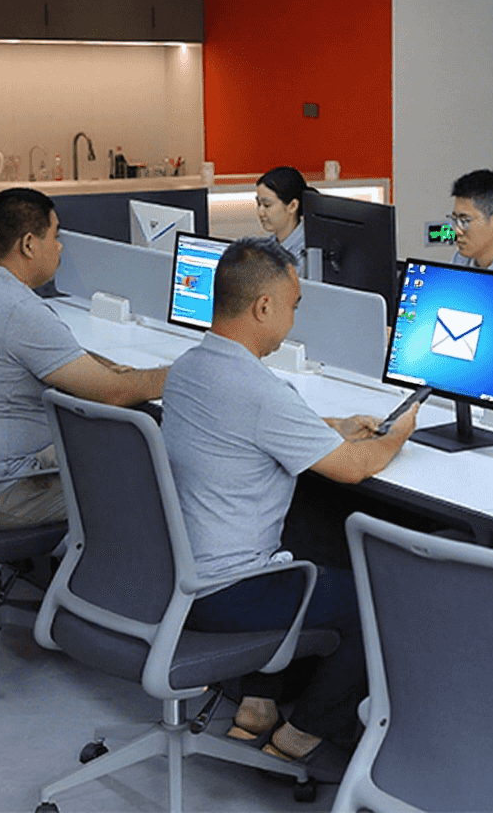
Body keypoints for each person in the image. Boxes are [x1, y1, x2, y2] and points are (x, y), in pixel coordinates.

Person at [160, 236, 419, 782]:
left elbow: (247, 427)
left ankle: (257, 707)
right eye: (293, 306)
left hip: (179, 578)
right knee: (384, 595)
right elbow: (354, 467)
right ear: (263, 307)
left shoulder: (186, 370)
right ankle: (302, 734)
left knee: (309, 522)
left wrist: (331, 426)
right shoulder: (260, 390)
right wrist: (401, 432)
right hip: (231, 593)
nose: (294, 319)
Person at [0, 188, 167, 530]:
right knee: (153, 477)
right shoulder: (19, 310)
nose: (59, 247)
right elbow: (114, 393)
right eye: (55, 236)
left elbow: (40, 353)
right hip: (7, 491)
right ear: (29, 244)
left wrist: (100, 365)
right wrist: (182, 374)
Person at [255, 166, 315, 263]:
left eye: (267, 205)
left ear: (292, 206)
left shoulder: (308, 254)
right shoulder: (268, 246)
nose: (260, 212)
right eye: (258, 204)